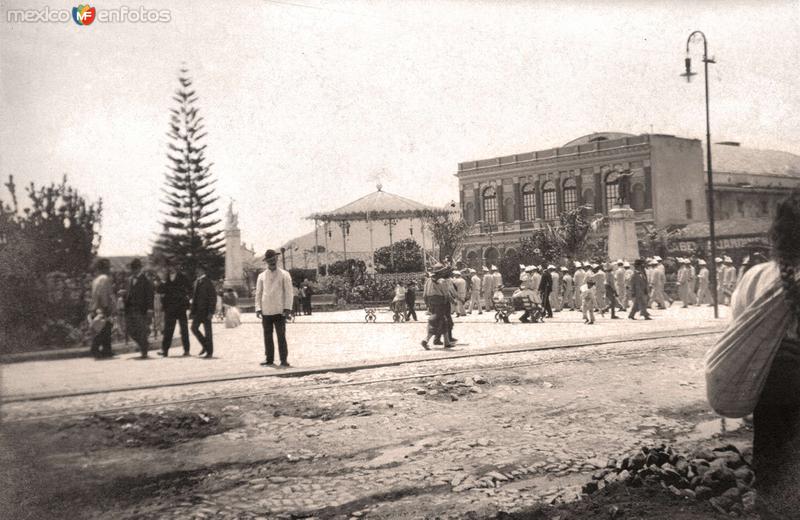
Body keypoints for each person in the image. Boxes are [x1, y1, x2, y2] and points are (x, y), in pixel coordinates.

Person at [718, 192, 800, 518]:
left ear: (777, 233)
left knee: (772, 471)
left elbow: (740, 329)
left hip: (768, 387)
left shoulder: (755, 276)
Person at [255, 249, 294, 367]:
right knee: (267, 336)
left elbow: (289, 292)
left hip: (280, 311)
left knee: (281, 336)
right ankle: (269, 359)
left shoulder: (284, 274)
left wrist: (287, 309)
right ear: (266, 262)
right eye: (269, 260)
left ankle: (283, 360)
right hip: (266, 311)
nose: (272, 262)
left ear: (277, 259)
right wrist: (258, 308)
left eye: (273, 259)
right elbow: (258, 293)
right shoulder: (261, 276)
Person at [158, 260, 191, 356]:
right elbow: (159, 290)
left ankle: (187, 350)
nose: (170, 268)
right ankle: (165, 350)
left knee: (184, 329)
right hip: (169, 307)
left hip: (181, 307)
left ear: (176, 267)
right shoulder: (166, 278)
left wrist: (185, 297)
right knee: (168, 330)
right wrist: (163, 281)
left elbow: (190, 288)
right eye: (169, 266)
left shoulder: (182, 277)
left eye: (172, 266)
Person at [421, 264, 456, 349]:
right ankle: (425, 340)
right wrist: (453, 301)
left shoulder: (428, 280)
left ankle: (447, 342)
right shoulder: (441, 281)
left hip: (431, 303)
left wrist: (427, 304)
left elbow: (424, 295)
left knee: (444, 321)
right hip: (440, 303)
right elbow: (446, 294)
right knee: (436, 322)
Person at [125, 258, 154, 359]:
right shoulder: (129, 280)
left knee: (141, 330)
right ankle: (144, 344)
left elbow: (150, 295)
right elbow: (129, 293)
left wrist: (150, 309)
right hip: (130, 309)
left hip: (141, 309)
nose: (133, 270)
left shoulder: (145, 280)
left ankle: (144, 350)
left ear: (139, 269)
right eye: (132, 269)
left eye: (135, 268)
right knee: (129, 329)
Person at [89, 258, 115, 358]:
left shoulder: (96, 280)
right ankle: (95, 349)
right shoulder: (104, 278)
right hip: (102, 306)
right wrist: (106, 306)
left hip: (96, 306)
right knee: (105, 328)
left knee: (105, 327)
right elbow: (103, 294)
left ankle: (107, 349)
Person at [190, 264, 217, 358]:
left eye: (198, 270)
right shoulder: (196, 282)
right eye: (196, 270)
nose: (196, 272)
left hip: (206, 311)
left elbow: (213, 298)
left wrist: (211, 312)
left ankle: (210, 352)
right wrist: (192, 311)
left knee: (208, 332)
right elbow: (194, 298)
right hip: (198, 311)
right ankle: (205, 345)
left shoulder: (208, 282)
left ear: (203, 271)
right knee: (194, 328)